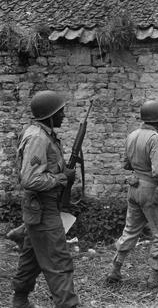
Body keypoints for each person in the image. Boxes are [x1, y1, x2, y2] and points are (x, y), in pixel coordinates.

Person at [12, 90, 79, 308]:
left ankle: (20, 300)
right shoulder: (38, 137)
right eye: (60, 112)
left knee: (31, 259)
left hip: (40, 210)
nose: (63, 116)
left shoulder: (42, 133)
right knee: (59, 262)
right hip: (43, 209)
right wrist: (62, 178)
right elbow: (29, 180)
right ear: (49, 116)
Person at [106, 100, 158, 289]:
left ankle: (115, 269)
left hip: (134, 186)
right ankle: (155, 276)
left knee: (130, 229)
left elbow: (125, 164)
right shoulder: (156, 138)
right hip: (151, 190)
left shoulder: (132, 135)